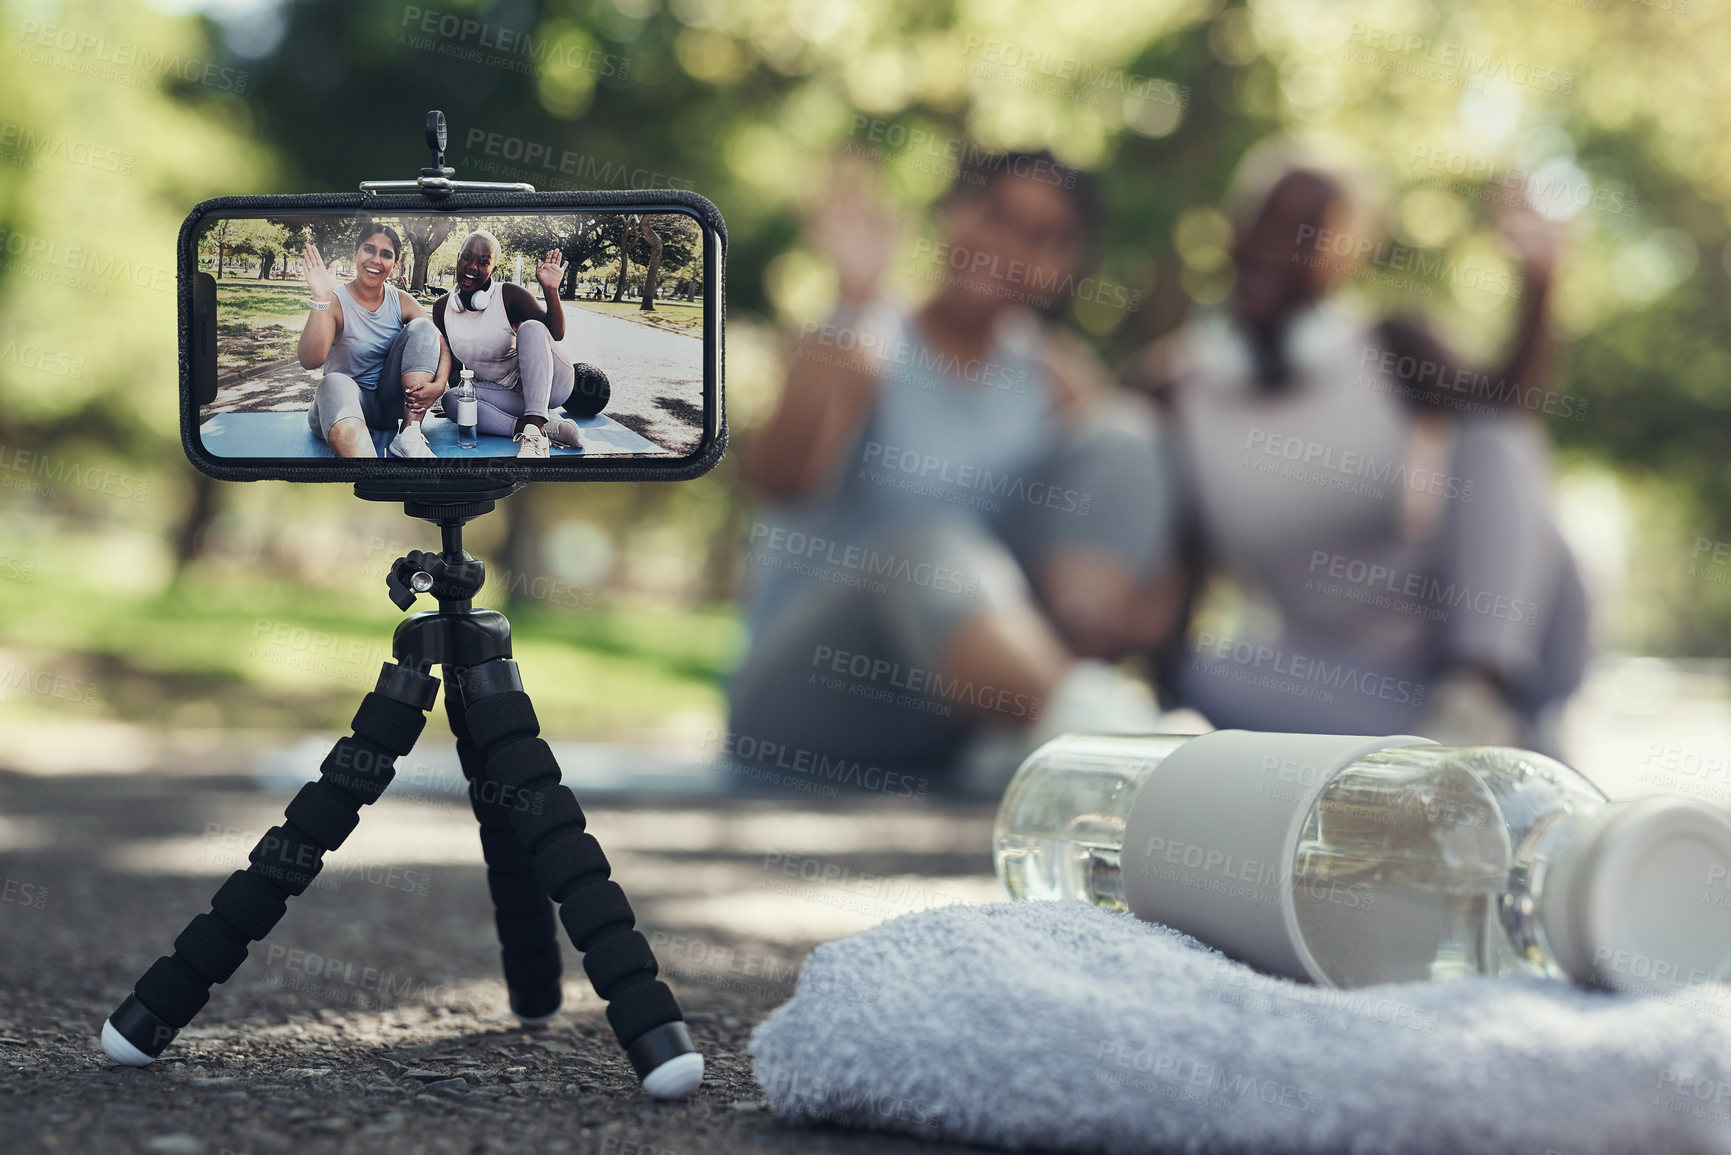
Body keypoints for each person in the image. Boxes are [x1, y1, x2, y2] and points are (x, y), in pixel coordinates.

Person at [729, 151, 1179, 790]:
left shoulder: (1054, 376)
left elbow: (1133, 528)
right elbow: (781, 479)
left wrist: (1099, 609)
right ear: (953, 215)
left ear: (1066, 267)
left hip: (950, 715)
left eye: (1042, 238)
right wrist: (852, 298)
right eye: (995, 216)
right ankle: (1104, 750)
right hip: (803, 703)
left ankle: (1053, 719)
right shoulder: (866, 335)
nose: (1008, 247)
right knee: (932, 547)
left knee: (1126, 433)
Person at [1134, 158, 1587, 750]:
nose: (1275, 248)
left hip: (1492, 647)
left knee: (1496, 436)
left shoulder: (1392, 345)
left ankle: (1481, 700)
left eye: (1306, 234)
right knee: (1198, 673)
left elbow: (1509, 405)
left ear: (1342, 259)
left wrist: (1539, 283)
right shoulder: (1175, 391)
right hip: (1357, 682)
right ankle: (1472, 758)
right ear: (1233, 233)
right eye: (1264, 223)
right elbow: (1181, 571)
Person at [300, 223, 450, 459]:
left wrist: (440, 385)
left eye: (386, 254)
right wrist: (320, 298)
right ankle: (370, 468)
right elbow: (310, 359)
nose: (376, 259)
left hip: (387, 410)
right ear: (356, 254)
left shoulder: (401, 300)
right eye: (369, 249)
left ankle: (409, 435)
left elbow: (439, 342)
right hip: (343, 405)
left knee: (423, 326)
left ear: (395, 264)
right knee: (334, 381)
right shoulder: (335, 301)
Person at [432, 231, 583, 459]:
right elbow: (453, 362)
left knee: (531, 327)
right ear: (458, 258)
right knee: (453, 401)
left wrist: (551, 290)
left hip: (551, 383)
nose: (472, 266)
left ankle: (535, 439)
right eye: (467, 257)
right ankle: (540, 428)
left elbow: (555, 333)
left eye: (483, 262)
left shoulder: (510, 295)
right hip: (505, 394)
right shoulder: (442, 308)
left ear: (493, 270)